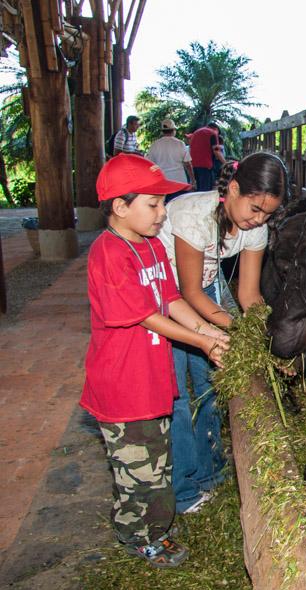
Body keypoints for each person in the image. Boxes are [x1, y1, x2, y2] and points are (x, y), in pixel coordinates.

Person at [80, 154, 231, 567]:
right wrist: (200, 343)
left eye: (164, 204)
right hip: (122, 388)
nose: (163, 214)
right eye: (153, 204)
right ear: (120, 206)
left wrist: (210, 331)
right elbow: (146, 316)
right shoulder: (109, 253)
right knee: (136, 474)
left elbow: (171, 299)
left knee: (158, 462)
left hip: (151, 380)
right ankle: (137, 535)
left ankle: (156, 525)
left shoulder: (148, 246)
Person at [157, 151, 288, 514]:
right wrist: (235, 332)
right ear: (233, 189)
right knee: (177, 396)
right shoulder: (193, 216)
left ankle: (210, 472)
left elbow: (248, 294)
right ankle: (182, 487)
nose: (258, 219)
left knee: (211, 384)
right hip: (164, 295)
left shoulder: (254, 229)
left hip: (205, 291)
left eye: (267, 213)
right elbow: (189, 292)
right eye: (255, 208)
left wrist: (270, 336)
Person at [147, 118, 196, 202]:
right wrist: (192, 179)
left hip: (162, 182)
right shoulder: (180, 144)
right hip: (179, 182)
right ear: (174, 130)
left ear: (162, 131)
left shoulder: (155, 145)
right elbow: (187, 164)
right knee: (179, 206)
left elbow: (150, 164)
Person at [189, 122, 226, 191]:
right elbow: (216, 151)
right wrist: (226, 163)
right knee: (205, 192)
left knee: (199, 189)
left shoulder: (196, 132)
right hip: (205, 166)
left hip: (194, 165)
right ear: (216, 129)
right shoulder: (212, 133)